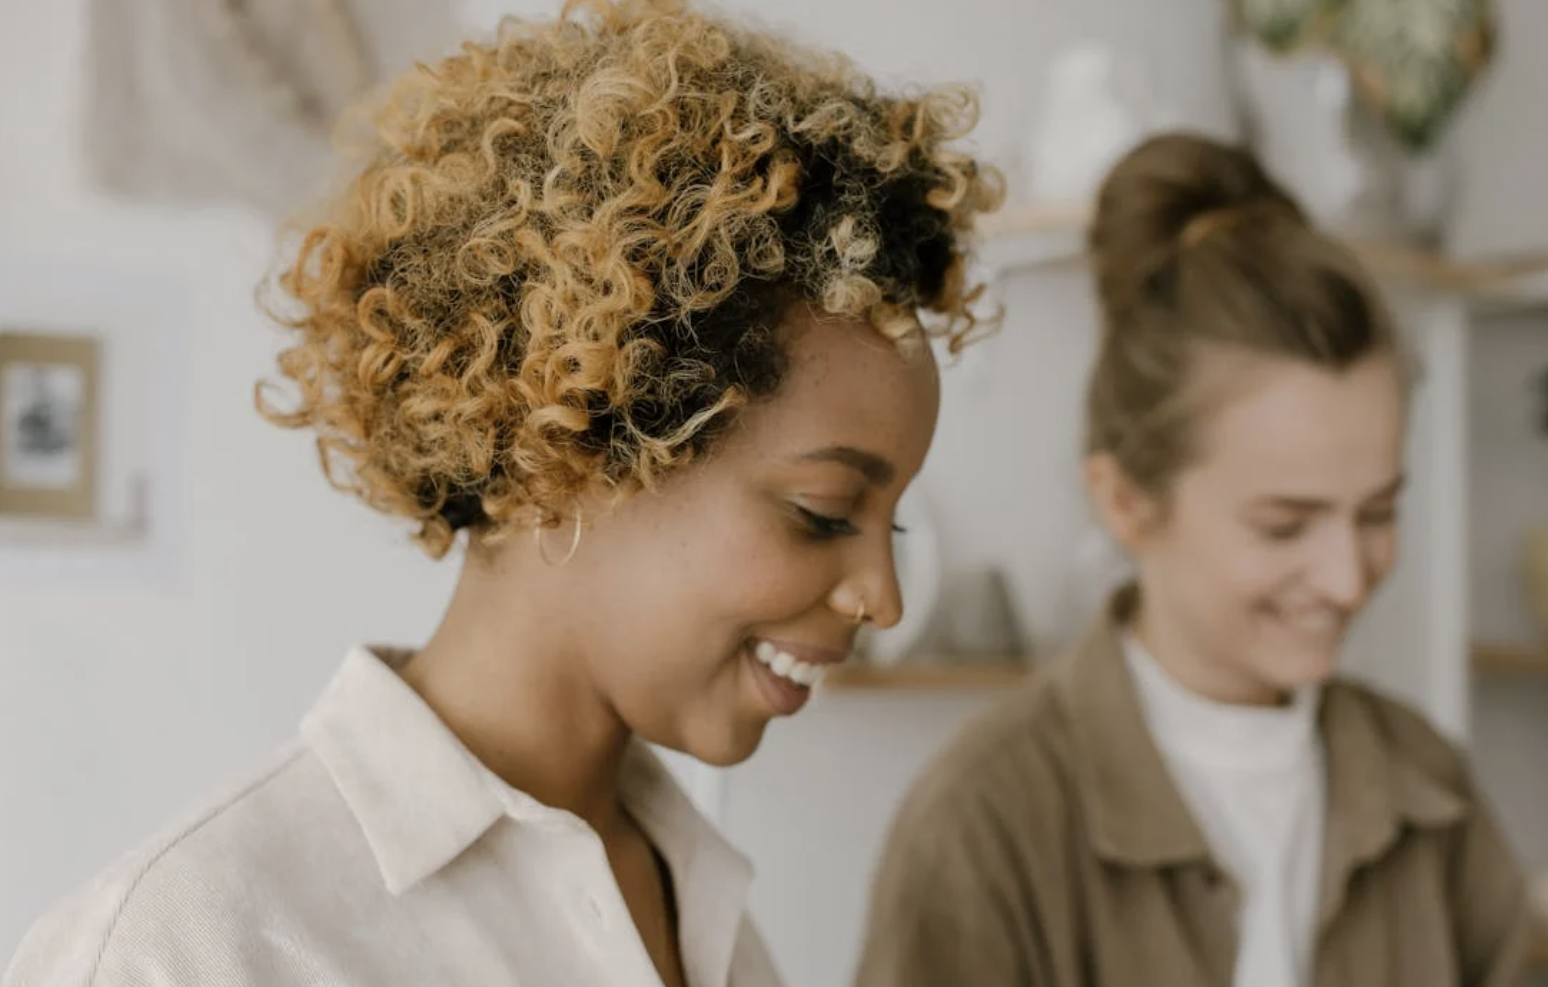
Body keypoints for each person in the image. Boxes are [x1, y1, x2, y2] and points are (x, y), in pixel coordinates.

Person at [3, 2, 1000, 984]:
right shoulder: (188, 949)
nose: (885, 598)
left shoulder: (708, 917)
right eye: (822, 513)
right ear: (581, 437)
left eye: (890, 521)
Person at [854, 132, 1534, 987]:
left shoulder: (1431, 793)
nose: (1347, 576)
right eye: (1286, 525)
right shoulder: (987, 825)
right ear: (1126, 501)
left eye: (1378, 512)